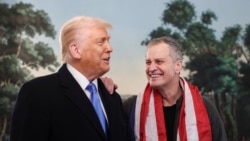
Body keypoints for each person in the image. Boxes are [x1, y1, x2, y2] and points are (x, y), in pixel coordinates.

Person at [10, 16, 128, 141]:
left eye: (108, 41)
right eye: (101, 42)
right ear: (76, 50)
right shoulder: (37, 93)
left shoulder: (112, 97)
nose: (110, 48)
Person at [128, 36, 228, 141]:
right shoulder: (133, 107)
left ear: (178, 66)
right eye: (148, 62)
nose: (151, 68)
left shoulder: (205, 108)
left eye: (159, 62)